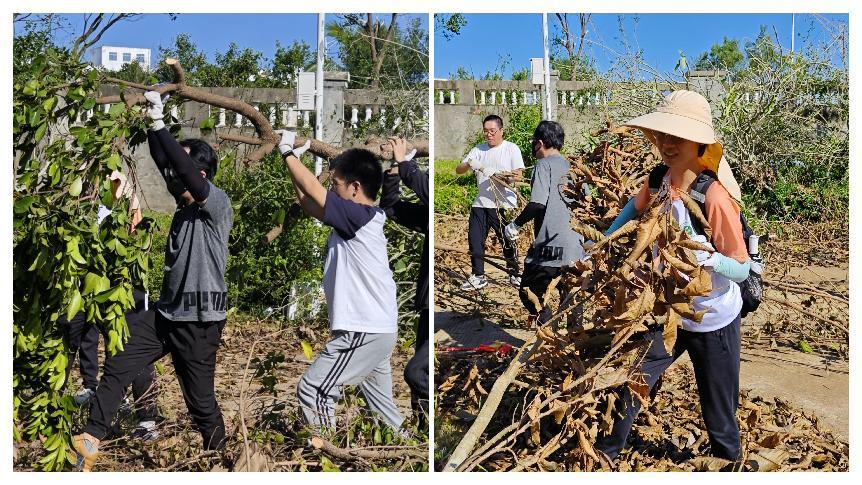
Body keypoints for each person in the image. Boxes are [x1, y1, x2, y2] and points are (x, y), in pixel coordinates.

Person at [72, 91, 234, 471]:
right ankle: (91, 438)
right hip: (167, 315)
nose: (172, 177)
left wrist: (161, 125)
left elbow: (181, 167)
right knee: (121, 356)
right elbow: (167, 161)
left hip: (198, 321)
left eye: (185, 172)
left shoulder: (216, 206)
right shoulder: (183, 207)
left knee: (201, 403)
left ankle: (222, 462)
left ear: (202, 176)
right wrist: (153, 121)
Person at [595, 90, 751, 463]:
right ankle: (604, 455)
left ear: (697, 142)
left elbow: (741, 268)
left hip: (714, 320)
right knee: (631, 384)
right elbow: (630, 213)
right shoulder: (658, 181)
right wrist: (601, 243)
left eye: (676, 137)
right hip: (668, 313)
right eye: (662, 135)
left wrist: (701, 256)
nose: (666, 144)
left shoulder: (712, 196)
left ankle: (730, 466)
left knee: (719, 415)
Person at [275, 129, 403, 432]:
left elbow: (315, 192)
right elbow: (308, 202)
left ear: (355, 188)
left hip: (364, 330)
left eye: (336, 185)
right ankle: (407, 450)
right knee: (385, 416)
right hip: (374, 330)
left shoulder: (359, 216)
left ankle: (327, 457)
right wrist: (291, 162)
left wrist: (286, 151)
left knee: (314, 389)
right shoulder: (360, 218)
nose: (331, 191)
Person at [63, 171, 161, 441]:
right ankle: (85, 394)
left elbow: (138, 231)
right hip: (90, 283)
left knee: (132, 346)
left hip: (125, 287)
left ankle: (147, 417)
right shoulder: (85, 200)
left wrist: (125, 189)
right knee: (72, 334)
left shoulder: (126, 199)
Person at [504, 121, 584, 326]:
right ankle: (576, 344)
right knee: (571, 294)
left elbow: (537, 204)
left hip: (550, 244)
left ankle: (547, 331)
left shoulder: (543, 165)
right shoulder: (575, 168)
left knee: (529, 290)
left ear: (539, 143)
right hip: (577, 245)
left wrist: (515, 224)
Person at [380, 137, 429, 428]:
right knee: (419, 376)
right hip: (426, 304)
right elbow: (392, 208)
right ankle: (423, 430)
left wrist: (406, 163)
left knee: (416, 372)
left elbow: (427, 191)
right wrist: (393, 173)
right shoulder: (425, 216)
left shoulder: (431, 206)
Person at [456, 115, 524, 290]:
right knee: (475, 239)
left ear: (501, 130)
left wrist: (497, 174)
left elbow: (518, 176)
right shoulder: (478, 150)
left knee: (507, 241)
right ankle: (478, 275)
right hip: (481, 203)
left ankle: (514, 273)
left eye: (492, 131)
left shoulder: (511, 149)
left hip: (504, 204)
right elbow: (459, 169)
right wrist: (472, 163)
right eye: (486, 131)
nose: (489, 135)